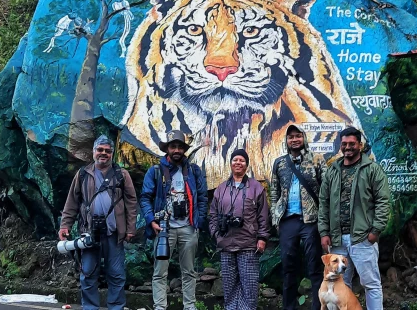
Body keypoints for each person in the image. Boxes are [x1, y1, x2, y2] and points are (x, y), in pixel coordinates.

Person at [59, 135, 138, 310]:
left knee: (116, 275)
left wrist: (131, 228)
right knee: (88, 273)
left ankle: (116, 307)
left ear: (112, 153)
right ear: (93, 152)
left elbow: (131, 202)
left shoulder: (121, 174)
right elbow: (72, 201)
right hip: (89, 233)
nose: (104, 153)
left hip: (114, 233)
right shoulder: (82, 174)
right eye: (100, 150)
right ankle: (90, 308)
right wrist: (65, 225)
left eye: (107, 151)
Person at [318, 127, 390, 310]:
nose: (348, 147)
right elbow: (323, 203)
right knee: (343, 284)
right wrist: (324, 231)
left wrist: (375, 230)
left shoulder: (372, 169)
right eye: (344, 144)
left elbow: (383, 200)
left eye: (352, 144)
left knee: (371, 284)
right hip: (337, 239)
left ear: (360, 145)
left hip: (362, 238)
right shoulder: (332, 171)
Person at [140, 130, 208, 310]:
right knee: (160, 272)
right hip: (164, 229)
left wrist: (198, 222)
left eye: (180, 146)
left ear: (184, 149)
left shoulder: (193, 171)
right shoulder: (155, 171)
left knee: (189, 271)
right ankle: (160, 307)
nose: (176, 150)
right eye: (173, 146)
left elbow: (202, 197)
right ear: (167, 149)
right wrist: (150, 220)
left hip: (188, 227)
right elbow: (145, 197)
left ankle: (190, 307)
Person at [270, 124, 326, 310]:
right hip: (288, 221)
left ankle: (317, 307)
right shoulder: (280, 163)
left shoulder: (316, 159)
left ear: (304, 138)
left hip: (311, 221)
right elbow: (274, 192)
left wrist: (324, 219)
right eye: (290, 137)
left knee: (315, 268)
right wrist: (275, 217)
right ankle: (289, 307)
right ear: (286, 141)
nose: (294, 140)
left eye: (297, 136)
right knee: (288, 267)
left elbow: (325, 190)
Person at [209, 149, 270, 310]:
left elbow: (263, 215)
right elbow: (213, 214)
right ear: (230, 163)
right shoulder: (221, 189)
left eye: (242, 160)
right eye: (235, 159)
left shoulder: (256, 188)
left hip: (248, 245)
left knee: (249, 287)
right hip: (226, 244)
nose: (238, 162)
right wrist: (216, 235)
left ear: (247, 165)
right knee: (229, 286)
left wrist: (262, 238)